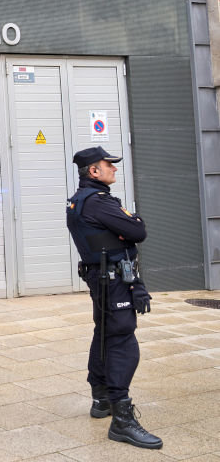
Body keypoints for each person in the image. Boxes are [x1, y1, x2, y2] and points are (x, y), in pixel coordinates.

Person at [66, 146, 161, 449]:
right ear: (93, 171)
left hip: (103, 277)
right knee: (122, 339)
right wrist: (132, 224)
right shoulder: (98, 202)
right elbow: (138, 230)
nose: (115, 169)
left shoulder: (80, 201)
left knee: (105, 332)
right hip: (113, 280)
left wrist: (128, 230)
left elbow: (128, 233)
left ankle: (101, 398)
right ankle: (122, 418)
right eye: (109, 165)